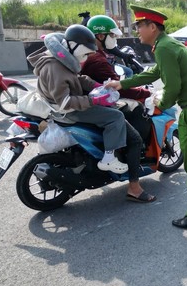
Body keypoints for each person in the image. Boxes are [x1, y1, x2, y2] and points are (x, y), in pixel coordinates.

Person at [106, 5, 187, 230]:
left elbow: (173, 87)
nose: (137, 30)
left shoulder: (164, 48)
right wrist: (122, 83)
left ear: (152, 27)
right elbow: (155, 72)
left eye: (139, 26)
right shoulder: (169, 44)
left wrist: (161, 103)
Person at [27, 25, 156, 202]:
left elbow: (76, 79)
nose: (87, 57)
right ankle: (127, 180)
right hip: (69, 112)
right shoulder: (56, 67)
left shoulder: (58, 61)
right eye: (86, 53)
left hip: (62, 110)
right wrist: (94, 100)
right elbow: (64, 102)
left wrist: (95, 86)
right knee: (127, 129)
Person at [81, 15, 152, 143]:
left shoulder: (92, 54)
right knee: (137, 110)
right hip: (94, 105)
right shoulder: (97, 60)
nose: (115, 39)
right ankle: (136, 153)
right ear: (101, 36)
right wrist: (146, 93)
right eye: (112, 36)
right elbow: (119, 89)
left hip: (87, 101)